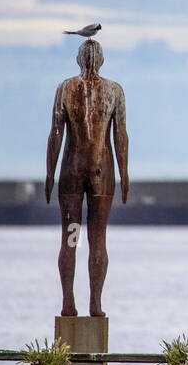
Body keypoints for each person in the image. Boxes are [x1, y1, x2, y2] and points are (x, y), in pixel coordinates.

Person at [45, 39, 128, 317]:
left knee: (70, 237)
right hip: (101, 171)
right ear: (102, 60)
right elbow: (120, 136)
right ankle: (95, 303)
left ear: (78, 60)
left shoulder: (65, 88)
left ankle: (68, 303)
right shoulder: (114, 90)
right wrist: (124, 172)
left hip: (71, 169)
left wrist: (49, 172)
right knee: (97, 238)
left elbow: (56, 133)